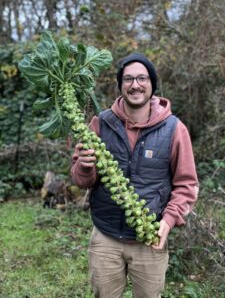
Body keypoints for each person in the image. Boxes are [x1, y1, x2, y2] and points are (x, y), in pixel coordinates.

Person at [70, 52, 199, 298]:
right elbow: (81, 181)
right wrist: (84, 167)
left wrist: (168, 221)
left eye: (142, 78)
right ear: (120, 85)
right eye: (128, 79)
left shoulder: (174, 129)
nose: (135, 85)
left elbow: (187, 185)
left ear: (152, 84)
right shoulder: (100, 123)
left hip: (149, 240)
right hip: (105, 238)